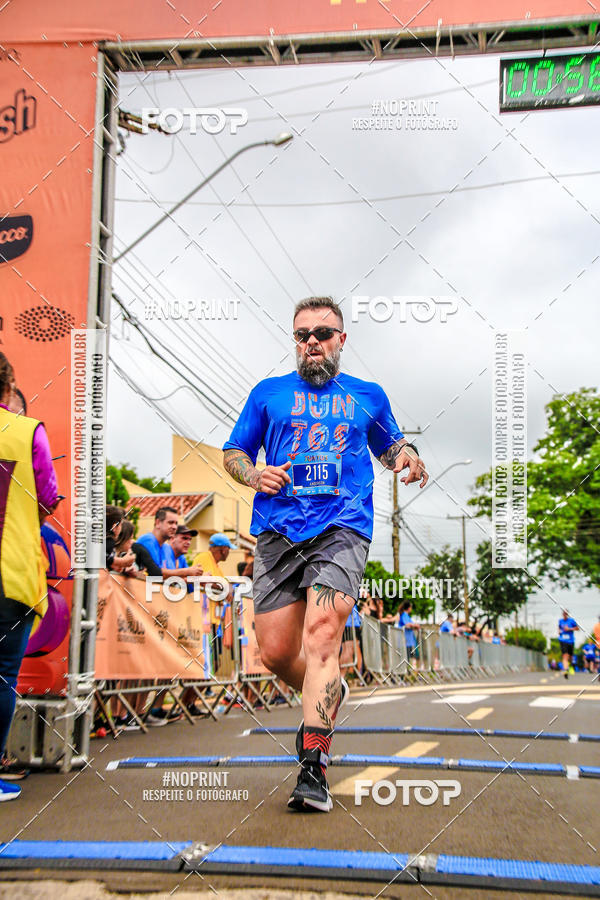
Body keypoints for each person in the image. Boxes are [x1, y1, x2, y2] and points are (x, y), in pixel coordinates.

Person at [222, 296, 428, 812]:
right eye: (301, 335)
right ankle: (327, 688)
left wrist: (407, 456)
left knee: (322, 636)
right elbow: (233, 452)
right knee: (273, 652)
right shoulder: (267, 394)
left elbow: (391, 446)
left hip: (341, 529)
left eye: (322, 333)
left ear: (341, 339)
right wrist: (253, 473)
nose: (311, 342)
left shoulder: (367, 395)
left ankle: (312, 767)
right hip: (276, 531)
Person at [0, 352, 59, 798]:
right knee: (2, 674)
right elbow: (48, 498)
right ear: (10, 384)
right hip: (12, 570)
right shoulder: (25, 430)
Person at [192, 533, 236, 674]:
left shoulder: (216, 566)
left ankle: (200, 691)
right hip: (204, 620)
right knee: (206, 665)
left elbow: (225, 585)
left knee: (214, 664)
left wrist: (225, 586)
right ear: (223, 549)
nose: (229, 553)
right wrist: (223, 586)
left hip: (213, 622)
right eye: (229, 549)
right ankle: (190, 694)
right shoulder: (204, 558)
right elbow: (205, 581)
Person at [137, 507, 202, 581]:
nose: (174, 527)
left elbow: (170, 577)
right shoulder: (148, 540)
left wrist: (198, 578)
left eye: (176, 523)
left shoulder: (165, 547)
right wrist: (187, 572)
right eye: (170, 522)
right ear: (158, 523)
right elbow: (156, 574)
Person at [558, 609, 579, 679]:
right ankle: (566, 670)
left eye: (566, 613)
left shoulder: (571, 621)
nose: (565, 615)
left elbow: (577, 628)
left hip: (570, 641)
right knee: (565, 655)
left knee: (570, 657)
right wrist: (559, 631)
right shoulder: (560, 621)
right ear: (562, 614)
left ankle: (570, 666)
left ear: (568, 614)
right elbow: (559, 627)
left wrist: (569, 629)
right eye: (564, 613)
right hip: (563, 640)